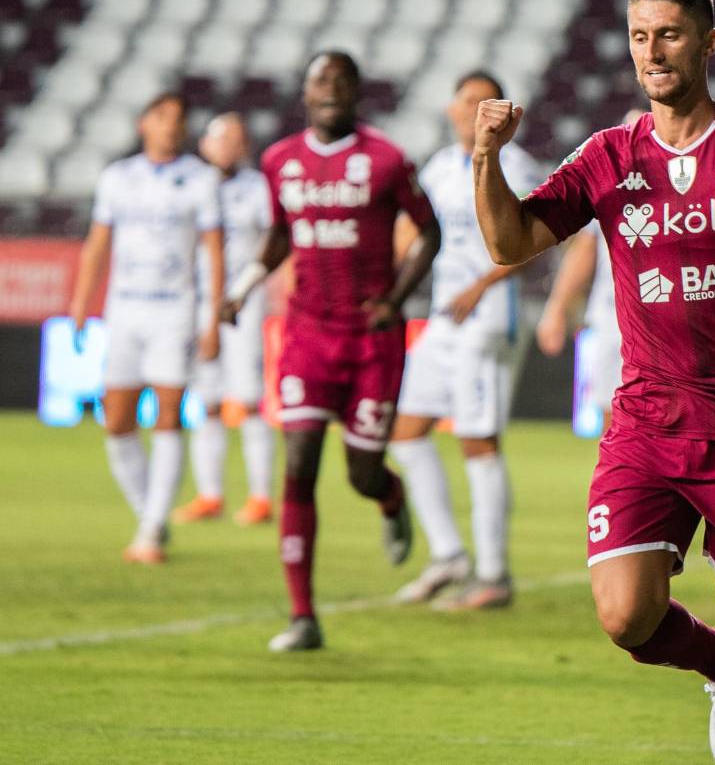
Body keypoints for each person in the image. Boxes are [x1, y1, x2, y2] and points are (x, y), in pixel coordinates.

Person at [471, 0, 715, 765]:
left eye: (670, 34)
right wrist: (486, 158)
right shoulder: (610, 156)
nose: (652, 51)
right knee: (625, 616)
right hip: (645, 421)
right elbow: (510, 244)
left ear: (709, 43)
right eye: (640, 36)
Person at [220, 51, 441, 652]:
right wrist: (239, 290)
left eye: (342, 82)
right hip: (307, 336)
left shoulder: (387, 160)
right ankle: (302, 615)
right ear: (305, 91)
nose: (331, 91)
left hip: (372, 342)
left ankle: (390, 498)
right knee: (298, 465)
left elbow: (430, 231)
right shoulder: (279, 161)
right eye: (321, 81)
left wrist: (397, 299)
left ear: (357, 93)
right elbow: (278, 234)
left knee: (362, 472)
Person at [388, 71, 543, 610]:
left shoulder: (515, 164)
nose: (471, 110)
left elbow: (534, 238)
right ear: (452, 109)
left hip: (485, 320)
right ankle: (450, 555)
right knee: (406, 432)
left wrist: (482, 284)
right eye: (465, 100)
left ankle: (495, 574)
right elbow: (414, 234)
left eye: (483, 101)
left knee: (478, 441)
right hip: (440, 319)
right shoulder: (437, 167)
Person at [68, 92, 224, 563]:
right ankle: (147, 513)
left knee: (169, 414)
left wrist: (212, 316)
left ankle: (153, 527)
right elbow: (98, 244)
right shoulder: (119, 178)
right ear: (144, 123)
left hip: (174, 310)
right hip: (124, 310)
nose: (171, 127)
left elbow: (214, 251)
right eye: (162, 117)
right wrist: (80, 301)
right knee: (116, 420)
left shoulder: (201, 179)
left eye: (178, 119)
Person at [174, 113, 276, 526]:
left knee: (249, 400)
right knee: (208, 401)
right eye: (223, 139)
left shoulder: (257, 188)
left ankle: (260, 496)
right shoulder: (190, 185)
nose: (230, 146)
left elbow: (274, 238)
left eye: (238, 139)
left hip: (241, 303)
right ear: (205, 145)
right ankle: (210, 494)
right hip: (196, 302)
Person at [536, 108, 646, 429]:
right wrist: (556, 308)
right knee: (614, 420)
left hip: (666, 321)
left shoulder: (686, 189)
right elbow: (584, 252)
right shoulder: (608, 189)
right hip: (612, 318)